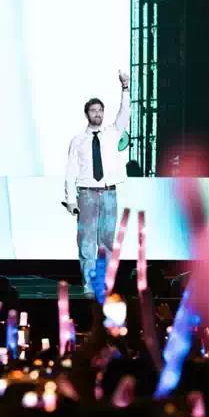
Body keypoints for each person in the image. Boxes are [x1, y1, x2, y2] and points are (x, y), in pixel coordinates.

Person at [64, 70, 130, 292]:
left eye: (100, 110)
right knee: (86, 241)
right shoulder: (78, 140)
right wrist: (70, 199)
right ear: (87, 114)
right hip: (87, 194)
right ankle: (89, 284)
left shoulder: (112, 133)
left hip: (109, 192)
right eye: (93, 110)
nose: (98, 114)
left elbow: (124, 114)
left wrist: (125, 88)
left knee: (107, 241)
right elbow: (71, 170)